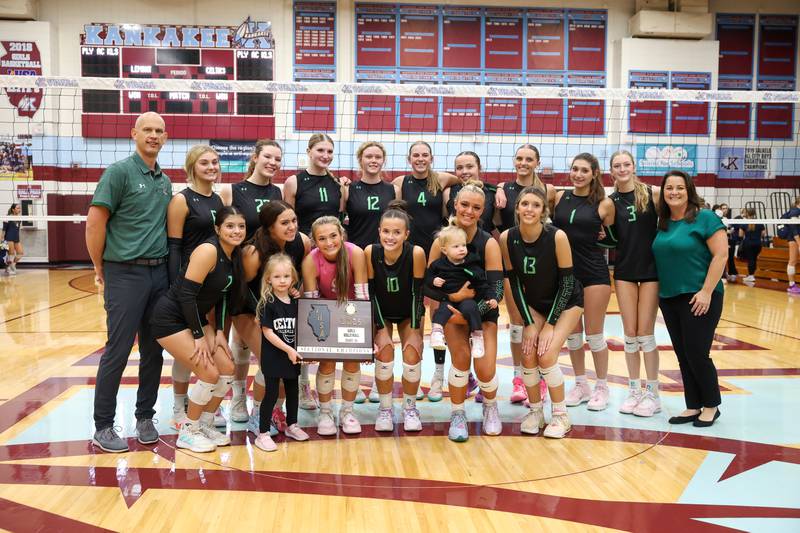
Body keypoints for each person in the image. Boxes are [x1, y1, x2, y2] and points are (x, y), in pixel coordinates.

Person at [86, 112, 172, 453]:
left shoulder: (164, 180)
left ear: (165, 137)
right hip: (125, 273)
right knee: (118, 350)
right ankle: (103, 426)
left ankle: (145, 417)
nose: (153, 135)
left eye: (159, 131)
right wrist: (100, 267)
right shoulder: (118, 172)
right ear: (134, 133)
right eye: (147, 130)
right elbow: (95, 224)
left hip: (159, 274)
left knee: (154, 350)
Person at [151, 206, 247, 452]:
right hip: (170, 318)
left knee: (227, 368)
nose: (236, 231)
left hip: (195, 318)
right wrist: (198, 335)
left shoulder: (234, 254)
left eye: (241, 226)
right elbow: (185, 295)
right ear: (217, 228)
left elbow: (224, 297)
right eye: (230, 226)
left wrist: (219, 332)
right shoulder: (208, 250)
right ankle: (188, 430)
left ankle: (205, 423)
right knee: (208, 373)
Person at [500, 186, 583, 438]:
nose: (529, 209)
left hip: (567, 302)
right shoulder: (507, 238)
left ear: (543, 211)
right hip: (535, 303)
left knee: (545, 356)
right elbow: (514, 283)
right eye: (525, 204)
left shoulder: (557, 236)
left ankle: (560, 415)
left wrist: (549, 324)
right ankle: (536, 412)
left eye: (536, 205)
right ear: (517, 208)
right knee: (527, 354)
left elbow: (567, 283)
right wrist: (528, 322)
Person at [427, 183, 504, 442]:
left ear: (482, 211)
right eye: (464, 204)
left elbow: (497, 290)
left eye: (476, 207)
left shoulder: (489, 243)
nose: (469, 211)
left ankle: (490, 406)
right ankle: (458, 414)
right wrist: (453, 302)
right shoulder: (442, 241)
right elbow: (429, 284)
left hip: (482, 313)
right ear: (455, 205)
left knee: (484, 369)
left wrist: (474, 311)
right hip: (452, 310)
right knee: (460, 359)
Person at [652, 170, 727, 428]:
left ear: (689, 190)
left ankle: (711, 405)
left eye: (679, 188)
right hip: (670, 297)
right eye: (669, 188)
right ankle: (693, 405)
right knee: (684, 354)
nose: (674, 192)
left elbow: (721, 256)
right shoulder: (662, 222)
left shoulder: (704, 217)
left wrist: (706, 291)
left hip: (699, 295)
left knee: (697, 353)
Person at [220, 139, 284, 424]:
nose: (272, 163)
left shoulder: (278, 191)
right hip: (240, 277)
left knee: (256, 344)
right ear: (255, 157)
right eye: (268, 157)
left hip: (268, 278)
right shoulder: (231, 190)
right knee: (241, 342)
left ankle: (261, 405)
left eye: (277, 159)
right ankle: (236, 398)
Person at [237, 200, 312, 437]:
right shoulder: (253, 252)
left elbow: (295, 278)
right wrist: (261, 312)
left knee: (287, 366)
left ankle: (277, 412)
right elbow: (242, 289)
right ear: (270, 227)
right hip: (248, 310)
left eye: (294, 221)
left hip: (280, 310)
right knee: (271, 363)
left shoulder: (301, 242)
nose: (292, 227)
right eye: (284, 223)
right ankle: (258, 415)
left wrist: (294, 290)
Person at [392, 141, 458, 402]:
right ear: (409, 159)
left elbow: (461, 177)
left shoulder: (440, 180)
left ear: (432, 158)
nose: (420, 159)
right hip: (408, 259)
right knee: (414, 317)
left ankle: (439, 375)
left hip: (436, 260)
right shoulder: (400, 182)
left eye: (425, 155)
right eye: (415, 155)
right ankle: (413, 377)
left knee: (438, 319)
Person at [166, 145, 225, 429]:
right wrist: (175, 288)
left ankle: (206, 402)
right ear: (192, 167)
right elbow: (174, 247)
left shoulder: (219, 200)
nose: (211, 167)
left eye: (215, 162)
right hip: (188, 285)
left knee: (207, 348)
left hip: (210, 286)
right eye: (205, 163)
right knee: (189, 348)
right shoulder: (182, 200)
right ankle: (180, 405)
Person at [552, 153, 615, 412]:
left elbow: (612, 239)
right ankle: (581, 384)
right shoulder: (558, 197)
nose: (578, 174)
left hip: (594, 273)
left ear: (594, 173)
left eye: (584, 170)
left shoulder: (604, 203)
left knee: (595, 335)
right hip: (566, 275)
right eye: (574, 169)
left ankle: (602, 386)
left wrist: (602, 235)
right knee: (573, 336)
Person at [495, 144, 557, 406]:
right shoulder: (504, 188)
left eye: (529, 159)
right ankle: (519, 378)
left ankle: (540, 377)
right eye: (519, 158)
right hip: (513, 263)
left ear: (537, 162)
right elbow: (496, 225)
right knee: (517, 323)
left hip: (541, 265)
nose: (523, 162)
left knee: (538, 322)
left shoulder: (549, 191)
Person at [301, 216, 369, 435]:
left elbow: (362, 297)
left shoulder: (355, 253)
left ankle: (347, 411)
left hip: (352, 313)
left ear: (341, 235)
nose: (329, 242)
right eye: (322, 238)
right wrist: (313, 343)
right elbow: (312, 302)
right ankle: (326, 411)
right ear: (314, 241)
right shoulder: (311, 260)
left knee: (352, 362)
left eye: (333, 236)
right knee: (327, 363)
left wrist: (365, 340)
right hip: (325, 314)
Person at [608, 150, 662, 417]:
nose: (622, 169)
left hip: (651, 271)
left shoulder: (652, 194)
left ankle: (653, 392)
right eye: (617, 165)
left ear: (634, 166)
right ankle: (634, 389)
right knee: (630, 334)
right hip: (625, 271)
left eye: (626, 164)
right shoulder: (610, 202)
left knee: (646, 333)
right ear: (611, 170)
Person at [365, 201, 427, 431]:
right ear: (379, 231)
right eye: (386, 231)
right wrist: (380, 329)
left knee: (411, 355)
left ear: (406, 234)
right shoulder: (370, 252)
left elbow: (418, 295)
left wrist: (414, 331)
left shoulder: (416, 253)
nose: (391, 237)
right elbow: (370, 294)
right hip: (381, 310)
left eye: (397, 232)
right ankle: (385, 409)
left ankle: (410, 408)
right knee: (384, 355)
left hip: (408, 312)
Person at [253, 253, 310, 451]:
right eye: (277, 277)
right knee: (272, 393)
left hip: (292, 355)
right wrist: (287, 349)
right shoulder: (267, 303)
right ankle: (262, 433)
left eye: (286, 276)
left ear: (293, 278)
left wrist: (306, 351)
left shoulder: (296, 303)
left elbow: (305, 329)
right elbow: (267, 332)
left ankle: (292, 425)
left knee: (293, 391)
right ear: (268, 279)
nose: (282, 280)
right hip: (274, 356)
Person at [426, 225, 497, 359]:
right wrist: (433, 280)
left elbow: (482, 284)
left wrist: (491, 297)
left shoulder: (472, 266)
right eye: (456, 246)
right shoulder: (438, 265)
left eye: (463, 245)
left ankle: (477, 337)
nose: (461, 249)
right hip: (448, 299)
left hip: (467, 300)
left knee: (471, 308)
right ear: (444, 250)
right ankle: (436, 333)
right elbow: (427, 278)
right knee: (441, 310)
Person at [283, 134, 345, 237]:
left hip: (331, 244)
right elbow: (289, 220)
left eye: (330, 151)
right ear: (309, 151)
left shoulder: (338, 184)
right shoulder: (294, 182)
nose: (326, 156)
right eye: (320, 150)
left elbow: (340, 218)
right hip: (305, 244)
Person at [444, 151, 497, 231]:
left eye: (469, 167)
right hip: (456, 242)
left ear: (479, 168)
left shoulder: (493, 194)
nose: (464, 171)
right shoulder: (448, 192)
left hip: (483, 242)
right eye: (459, 168)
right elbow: (443, 222)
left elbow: (497, 224)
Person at [738, 207, 766, 284]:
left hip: (748, 244)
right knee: (754, 259)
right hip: (758, 243)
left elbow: (740, 235)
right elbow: (763, 234)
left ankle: (751, 276)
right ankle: (752, 275)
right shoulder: (759, 222)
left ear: (747, 213)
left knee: (750, 260)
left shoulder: (744, 223)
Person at [778, 197, 800, 294]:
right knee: (792, 261)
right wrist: (799, 243)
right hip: (794, 239)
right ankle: (792, 285)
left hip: (795, 239)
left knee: (793, 261)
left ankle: (792, 285)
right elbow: (794, 228)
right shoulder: (795, 211)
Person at [2, 204, 22, 275]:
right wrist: (2, 240)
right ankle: (9, 269)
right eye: (17, 208)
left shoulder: (19, 218)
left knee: (20, 253)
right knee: (11, 254)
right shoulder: (7, 217)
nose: (19, 209)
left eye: (19, 208)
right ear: (13, 209)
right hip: (9, 238)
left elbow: (17, 229)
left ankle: (11, 265)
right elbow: (4, 230)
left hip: (16, 238)